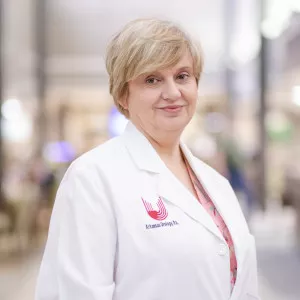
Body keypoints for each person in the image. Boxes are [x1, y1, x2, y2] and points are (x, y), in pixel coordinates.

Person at [35, 19, 260, 300]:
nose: (172, 93)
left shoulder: (216, 184)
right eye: (152, 79)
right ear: (122, 95)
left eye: (182, 76)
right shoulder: (92, 177)